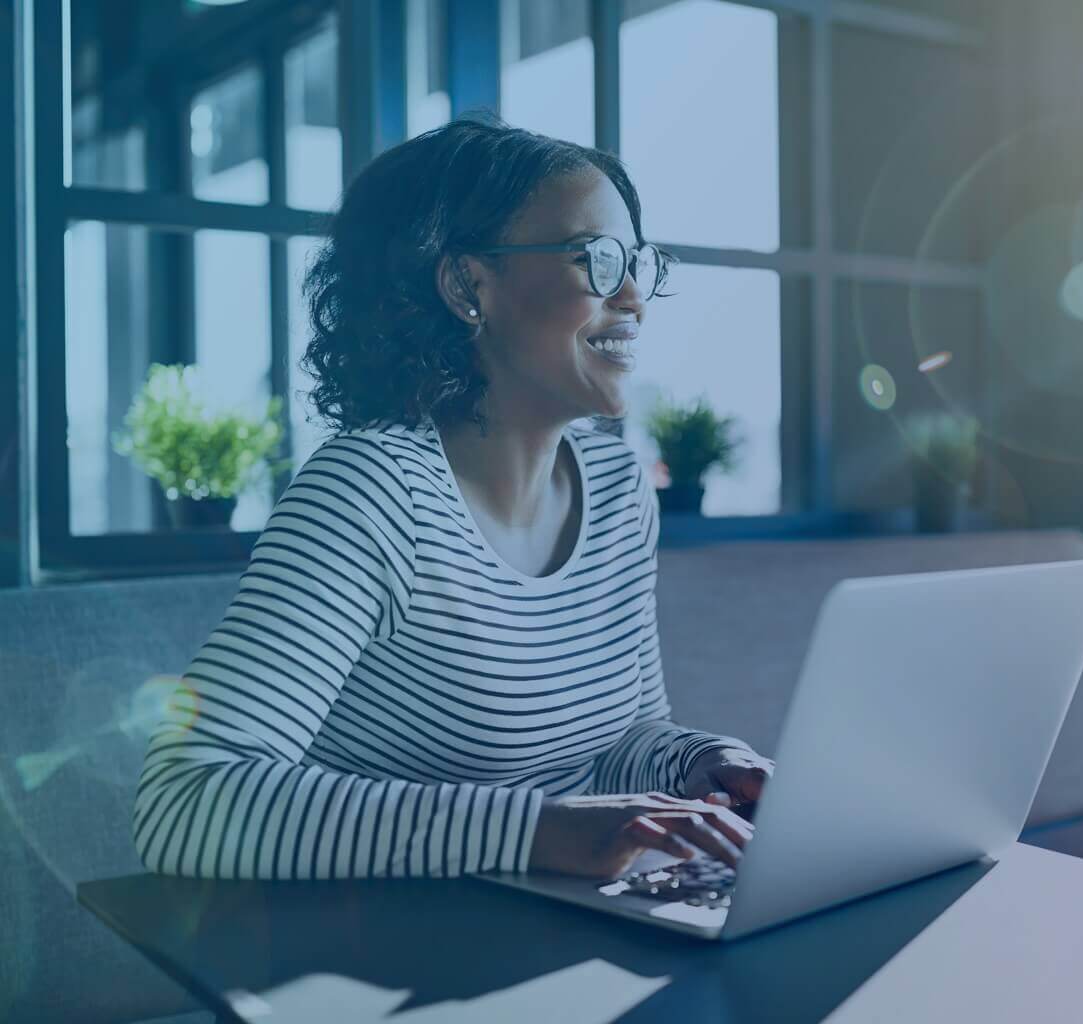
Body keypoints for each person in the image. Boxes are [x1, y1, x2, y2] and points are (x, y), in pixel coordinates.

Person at [133, 113, 774, 883]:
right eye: (597, 261)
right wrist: (537, 831)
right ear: (469, 286)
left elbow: (618, 740)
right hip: (382, 956)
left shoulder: (616, 489)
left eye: (638, 261)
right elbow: (184, 797)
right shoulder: (368, 493)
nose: (634, 297)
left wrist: (701, 764)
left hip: (565, 931)